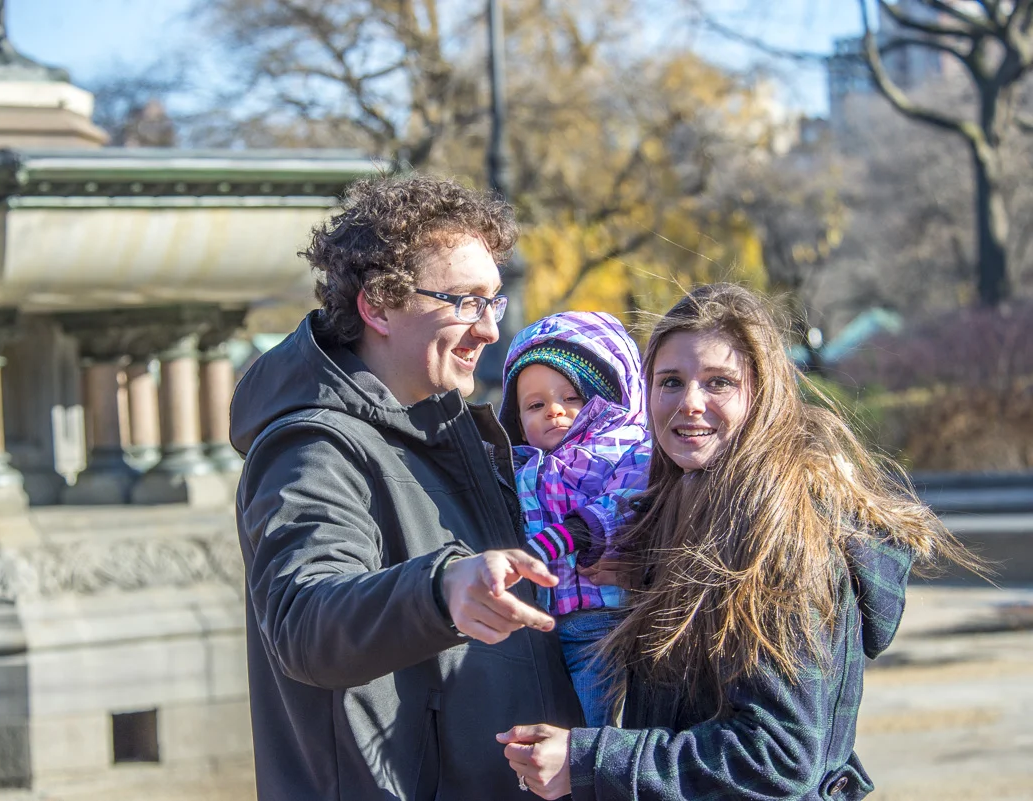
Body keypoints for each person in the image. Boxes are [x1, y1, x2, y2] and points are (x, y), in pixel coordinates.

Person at [496, 283, 981, 800]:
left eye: (719, 382)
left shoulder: (780, 534)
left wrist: (588, 761)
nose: (690, 403)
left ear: (761, 392)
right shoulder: (675, 508)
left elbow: (776, 754)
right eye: (671, 382)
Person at [230, 173, 584, 801]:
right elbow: (302, 620)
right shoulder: (313, 446)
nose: (489, 330)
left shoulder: (458, 431)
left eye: (493, 302)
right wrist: (441, 588)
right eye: (465, 302)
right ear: (378, 305)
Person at [497, 311, 651, 726]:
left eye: (571, 398)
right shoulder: (520, 466)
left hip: (602, 621)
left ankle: (589, 778)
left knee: (588, 720)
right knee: (537, 718)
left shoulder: (627, 446)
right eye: (535, 404)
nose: (554, 412)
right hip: (541, 626)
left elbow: (626, 500)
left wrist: (573, 533)